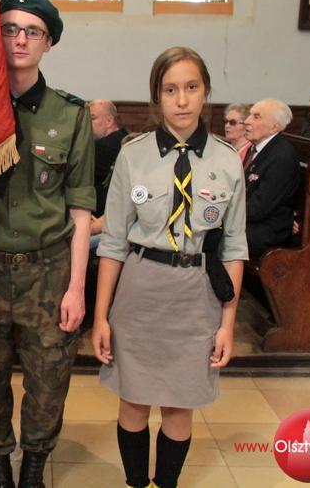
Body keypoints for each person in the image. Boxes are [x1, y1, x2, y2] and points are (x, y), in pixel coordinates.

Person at [92, 46, 247, 488]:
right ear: (156, 97)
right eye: (170, 89)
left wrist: (228, 324)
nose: (181, 100)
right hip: (141, 290)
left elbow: (234, 247)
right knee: (133, 401)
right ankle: (136, 483)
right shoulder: (133, 155)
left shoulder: (227, 160)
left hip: (197, 293)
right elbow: (114, 243)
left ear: (206, 92)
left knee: (181, 404)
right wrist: (101, 316)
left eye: (191, 87)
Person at [0, 0, 95, 488]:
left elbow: (81, 210)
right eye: (8, 28)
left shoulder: (71, 115)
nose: (19, 39)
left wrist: (77, 287)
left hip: (49, 270)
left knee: (49, 380)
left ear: (48, 43)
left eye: (32, 31)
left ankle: (35, 469)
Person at [242, 99, 302, 258]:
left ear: (274, 127)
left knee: (213, 234)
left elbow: (259, 208)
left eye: (256, 117)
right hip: (250, 222)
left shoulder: (282, 156)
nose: (247, 121)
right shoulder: (257, 148)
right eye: (249, 115)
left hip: (266, 231)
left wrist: (225, 215)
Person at [89, 98, 127, 240]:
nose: (86, 124)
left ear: (109, 121)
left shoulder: (103, 147)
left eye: (92, 118)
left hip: (104, 225)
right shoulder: (125, 137)